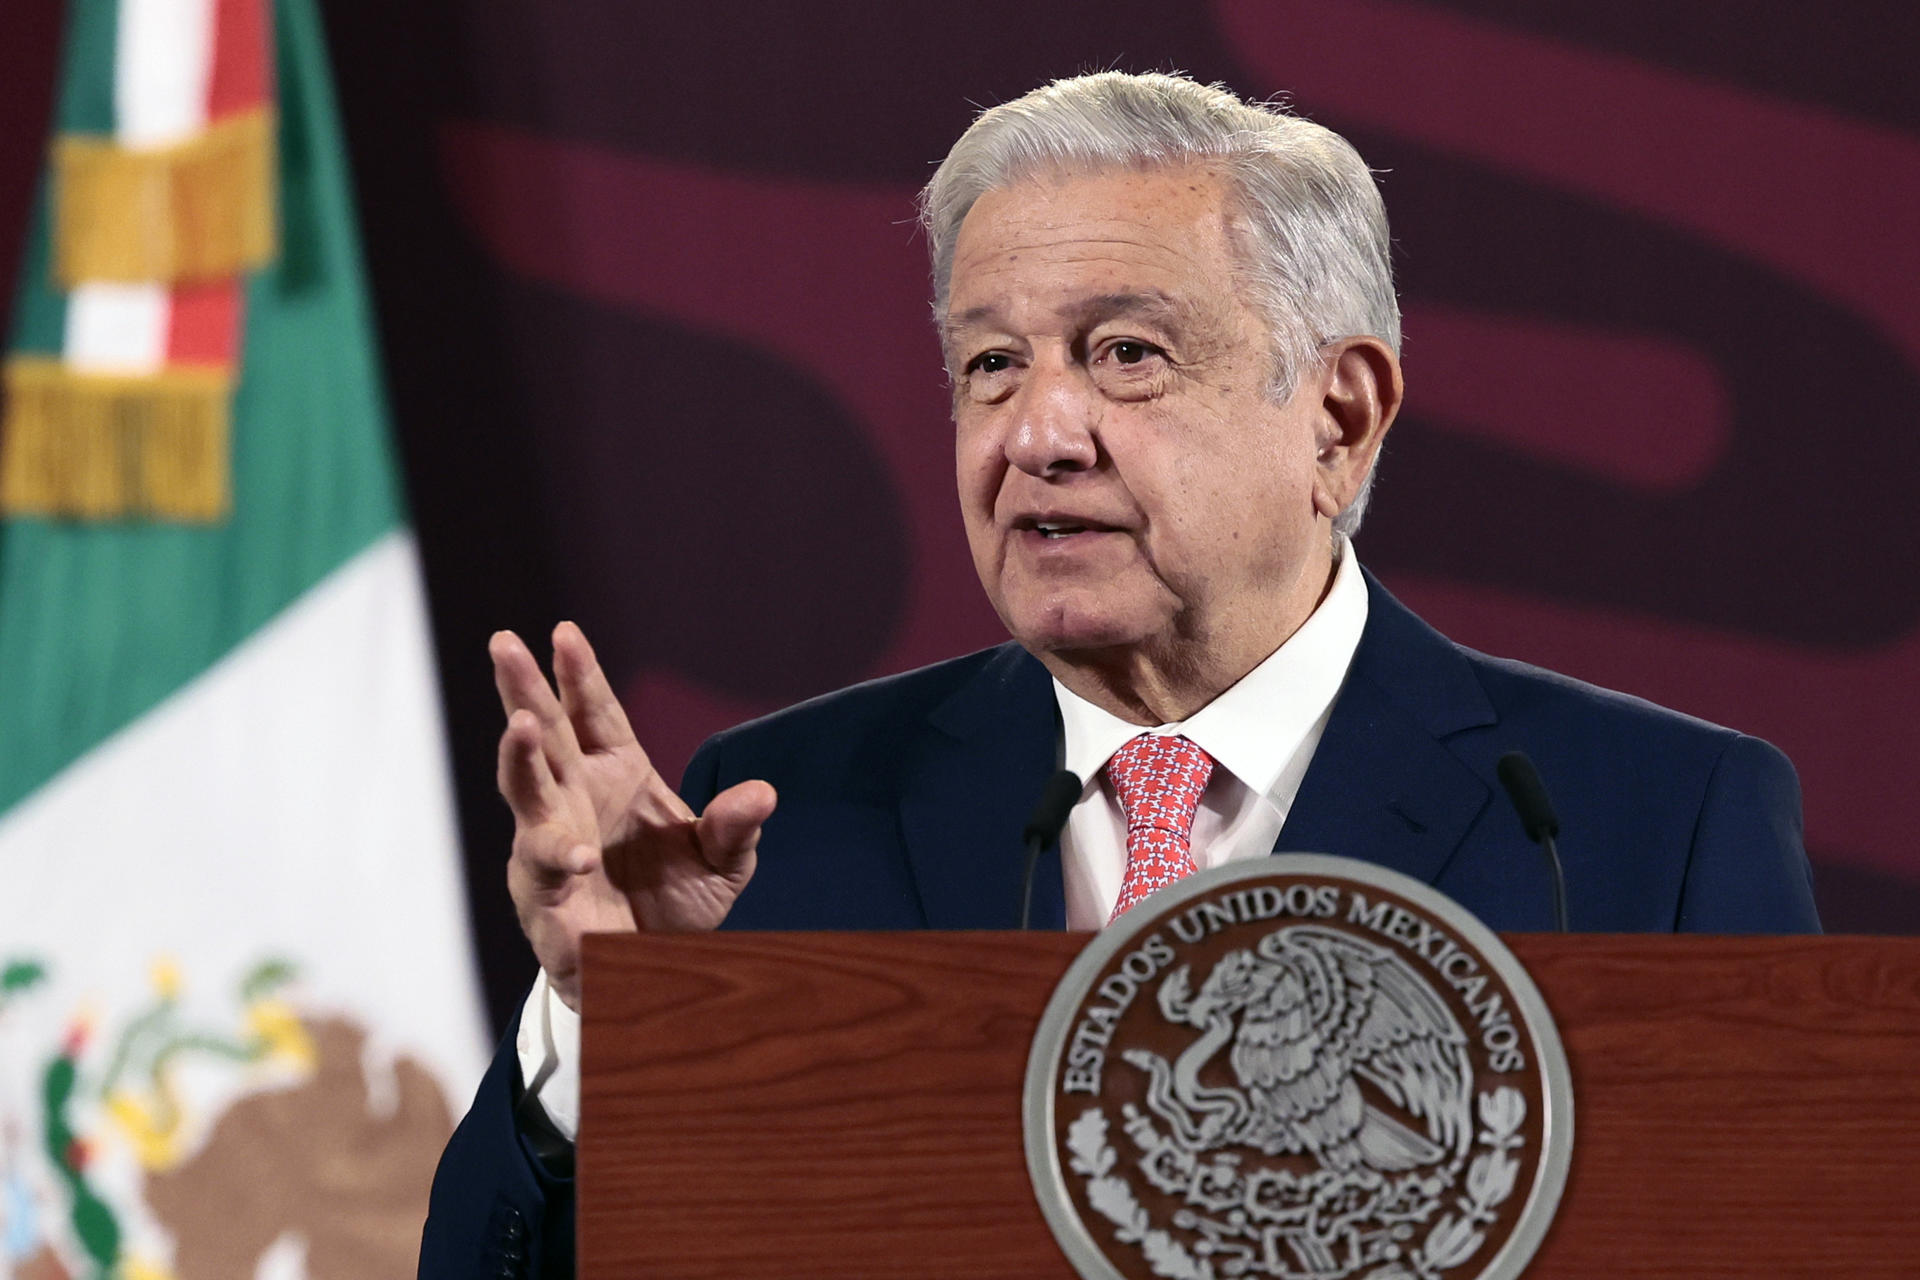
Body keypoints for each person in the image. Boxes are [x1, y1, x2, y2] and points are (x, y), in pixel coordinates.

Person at [418, 71, 1819, 1277]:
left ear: (1339, 416)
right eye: (989, 364)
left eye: (1125, 355)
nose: (1037, 434)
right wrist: (612, 1028)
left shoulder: (1639, 823)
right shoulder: (777, 828)